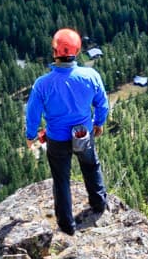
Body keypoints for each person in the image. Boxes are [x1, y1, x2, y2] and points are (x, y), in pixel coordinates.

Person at [25, 27, 109, 234]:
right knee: (91, 166)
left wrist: (31, 136)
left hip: (57, 139)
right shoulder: (90, 76)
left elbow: (33, 114)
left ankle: (67, 225)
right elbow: (102, 103)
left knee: (61, 180)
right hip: (83, 134)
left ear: (55, 52)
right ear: (77, 51)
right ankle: (99, 204)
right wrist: (99, 123)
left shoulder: (42, 84)